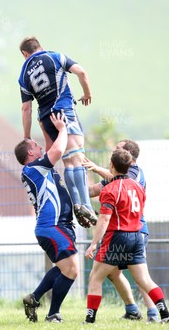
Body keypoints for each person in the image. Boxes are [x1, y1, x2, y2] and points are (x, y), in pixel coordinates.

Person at [84, 148, 169, 324]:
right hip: (137, 236)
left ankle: (89, 320)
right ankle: (165, 315)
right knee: (144, 280)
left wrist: (94, 243)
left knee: (96, 277)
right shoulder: (138, 187)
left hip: (117, 236)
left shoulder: (110, 189)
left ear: (111, 165)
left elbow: (104, 219)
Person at [18, 36, 97, 225]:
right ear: (40, 46)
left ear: (24, 54)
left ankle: (80, 205)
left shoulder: (23, 74)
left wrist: (27, 137)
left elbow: (26, 108)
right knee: (77, 156)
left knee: (68, 162)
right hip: (64, 112)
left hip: (46, 119)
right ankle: (84, 203)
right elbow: (81, 72)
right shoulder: (55, 56)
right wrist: (87, 93)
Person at [14, 113, 79, 323]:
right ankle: (53, 314)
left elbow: (52, 146)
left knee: (63, 268)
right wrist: (62, 128)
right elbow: (58, 149)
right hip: (52, 226)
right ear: (30, 152)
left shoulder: (41, 169)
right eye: (36, 144)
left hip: (55, 226)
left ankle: (34, 298)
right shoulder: (34, 168)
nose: (41, 146)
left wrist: (44, 123)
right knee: (71, 270)